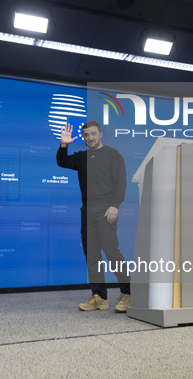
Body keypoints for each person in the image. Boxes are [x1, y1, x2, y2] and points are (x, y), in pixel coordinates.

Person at [56, 121, 131, 312]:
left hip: (106, 210)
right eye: (86, 135)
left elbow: (121, 182)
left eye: (93, 134)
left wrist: (115, 205)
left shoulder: (113, 154)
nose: (90, 138)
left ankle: (128, 293)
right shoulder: (82, 157)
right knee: (92, 255)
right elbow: (62, 162)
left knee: (112, 253)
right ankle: (99, 297)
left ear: (101, 134)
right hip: (87, 211)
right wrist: (64, 145)